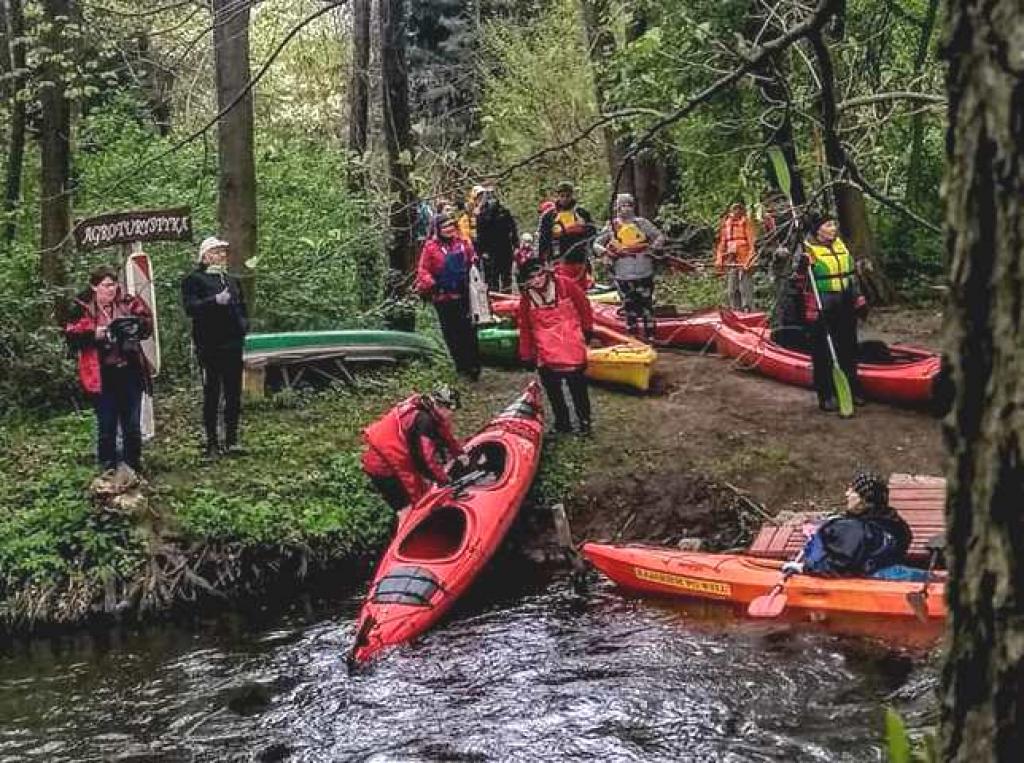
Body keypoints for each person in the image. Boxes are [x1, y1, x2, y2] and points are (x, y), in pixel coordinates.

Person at [65, 265, 154, 473]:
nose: (111, 290)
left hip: (130, 370)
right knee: (107, 425)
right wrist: (94, 334)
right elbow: (71, 336)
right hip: (101, 373)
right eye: (106, 286)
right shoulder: (81, 306)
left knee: (132, 424)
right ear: (94, 287)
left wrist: (133, 327)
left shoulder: (127, 302)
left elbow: (147, 324)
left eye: (113, 285)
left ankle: (133, 466)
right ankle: (108, 467)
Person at [182, 236, 250, 458]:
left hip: (232, 343)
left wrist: (243, 326)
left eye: (224, 252)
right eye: (218, 252)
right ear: (206, 255)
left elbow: (242, 306)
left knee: (233, 393)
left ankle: (231, 440)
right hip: (209, 345)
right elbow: (191, 308)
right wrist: (213, 301)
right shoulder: (194, 279)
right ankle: (212, 442)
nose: (222, 256)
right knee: (212, 393)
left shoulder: (231, 280)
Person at [784, 471, 915, 579]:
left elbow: (838, 566)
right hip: (882, 563)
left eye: (853, 492)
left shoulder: (853, 530)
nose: (847, 494)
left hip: (866, 576)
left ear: (864, 502)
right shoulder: (893, 521)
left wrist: (804, 568)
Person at [796, 211, 867, 412]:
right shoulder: (807, 249)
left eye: (834, 225)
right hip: (821, 305)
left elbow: (851, 275)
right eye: (828, 226)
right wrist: (802, 268)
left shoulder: (840, 246)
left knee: (849, 347)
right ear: (817, 230)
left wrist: (859, 299)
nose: (833, 229)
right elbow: (797, 281)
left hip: (844, 302)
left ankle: (853, 389)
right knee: (824, 351)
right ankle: (826, 394)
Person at [517, 260, 594, 435]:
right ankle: (562, 423)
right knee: (553, 390)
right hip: (545, 350)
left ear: (546, 273)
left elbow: (584, 306)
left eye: (540, 275)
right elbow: (525, 327)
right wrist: (526, 353)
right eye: (531, 278)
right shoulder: (526, 299)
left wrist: (588, 329)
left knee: (578, 387)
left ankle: (585, 421)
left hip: (571, 344)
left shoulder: (566, 285)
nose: (537, 280)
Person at [361, 385, 466, 511]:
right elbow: (427, 460)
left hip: (390, 455)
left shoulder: (428, 409)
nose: (451, 415)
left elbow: (443, 432)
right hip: (383, 466)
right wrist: (444, 480)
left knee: (422, 491)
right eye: (451, 410)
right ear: (440, 405)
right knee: (409, 506)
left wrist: (459, 453)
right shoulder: (423, 422)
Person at [416, 214, 482, 380]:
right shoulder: (430, 247)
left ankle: (474, 365)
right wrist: (433, 284)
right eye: (445, 227)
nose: (449, 229)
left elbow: (472, 259)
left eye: (451, 225)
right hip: (443, 297)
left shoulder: (462, 243)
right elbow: (423, 270)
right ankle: (461, 366)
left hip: (464, 295)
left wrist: (473, 264)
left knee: (469, 331)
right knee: (452, 333)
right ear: (438, 229)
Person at [593, 193, 666, 340]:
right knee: (628, 306)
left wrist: (651, 249)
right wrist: (606, 253)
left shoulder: (642, 223)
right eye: (622, 206)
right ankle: (632, 336)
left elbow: (659, 237)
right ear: (617, 208)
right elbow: (596, 244)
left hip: (644, 271)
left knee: (646, 304)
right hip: (623, 274)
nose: (626, 209)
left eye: (629, 205)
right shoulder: (612, 226)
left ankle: (650, 335)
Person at [538, 181, 596, 288]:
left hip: (580, 259)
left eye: (567, 196)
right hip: (558, 259)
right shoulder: (549, 216)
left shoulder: (581, 213)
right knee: (563, 289)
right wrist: (542, 260)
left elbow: (593, 233)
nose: (565, 199)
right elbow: (543, 240)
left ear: (572, 195)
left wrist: (582, 229)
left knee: (581, 290)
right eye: (562, 196)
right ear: (557, 196)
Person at [714, 201, 758, 311]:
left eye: (739, 209)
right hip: (731, 259)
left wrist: (750, 259)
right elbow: (722, 244)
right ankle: (736, 310)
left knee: (745, 287)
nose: (737, 211)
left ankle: (748, 310)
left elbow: (752, 242)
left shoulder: (746, 222)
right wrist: (719, 259)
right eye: (734, 209)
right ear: (730, 211)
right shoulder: (726, 224)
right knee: (732, 289)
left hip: (744, 259)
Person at [474, 187, 519, 291]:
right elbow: (480, 234)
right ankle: (494, 301)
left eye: (492, 194)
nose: (491, 198)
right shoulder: (482, 214)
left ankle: (507, 299)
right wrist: (482, 251)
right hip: (490, 251)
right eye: (488, 195)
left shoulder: (504, 211)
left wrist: (516, 245)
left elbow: (513, 228)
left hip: (505, 248)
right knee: (492, 279)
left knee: (506, 277)